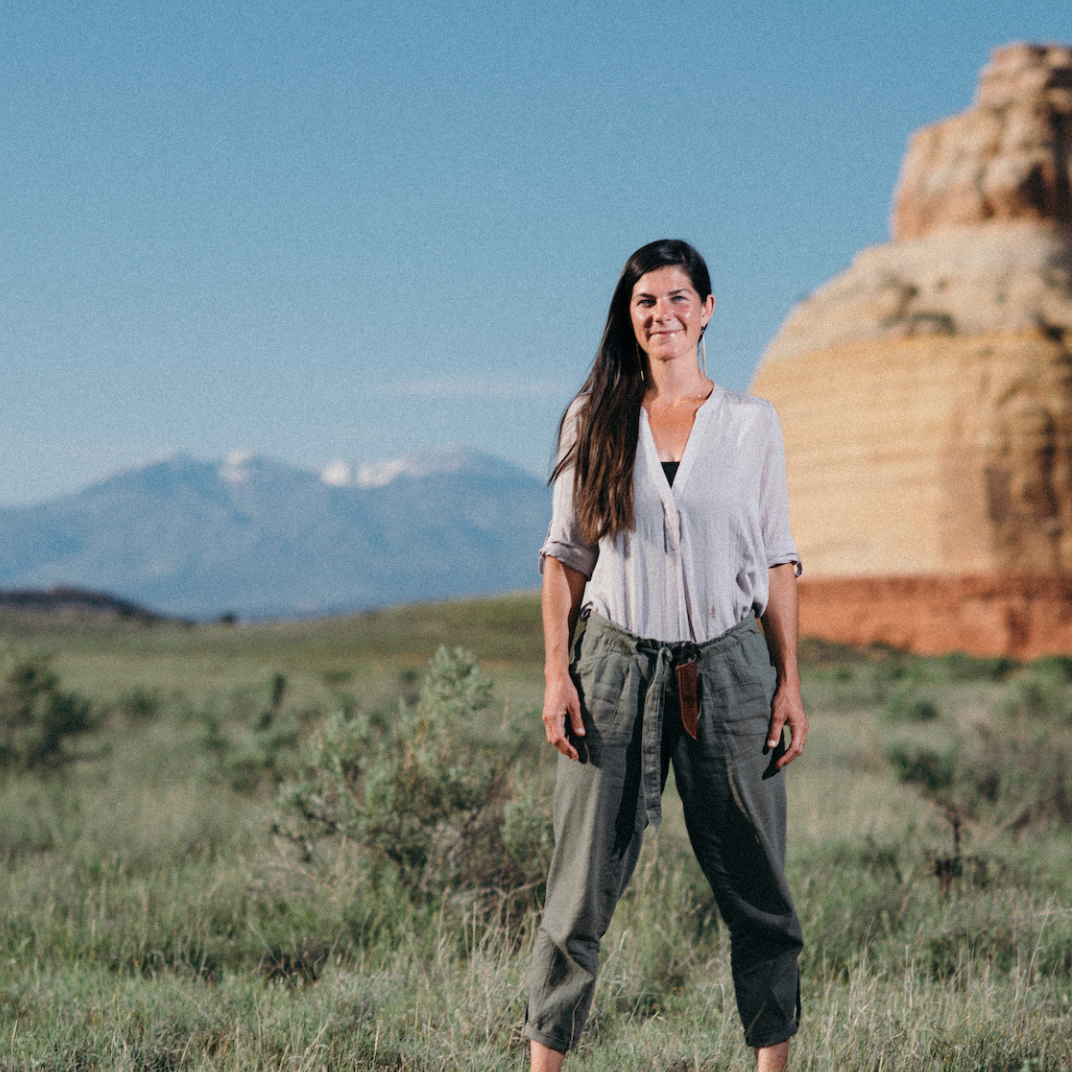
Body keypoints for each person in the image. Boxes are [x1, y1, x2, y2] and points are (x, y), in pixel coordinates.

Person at [525, 239, 807, 1072]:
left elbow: (779, 560)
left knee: (760, 894)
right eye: (646, 302)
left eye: (678, 299)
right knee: (577, 894)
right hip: (611, 670)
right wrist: (555, 675)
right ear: (630, 317)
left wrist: (789, 682)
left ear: (708, 309)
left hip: (730, 670)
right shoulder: (595, 418)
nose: (663, 315)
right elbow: (564, 558)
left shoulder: (753, 425)